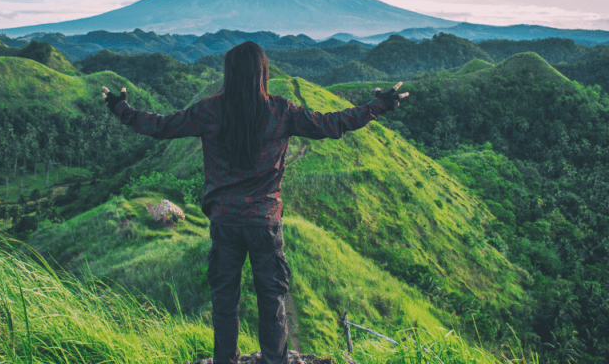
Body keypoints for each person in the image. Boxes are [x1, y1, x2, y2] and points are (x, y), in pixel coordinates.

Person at [102, 41, 408, 364]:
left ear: (229, 74)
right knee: (271, 301)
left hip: (225, 222)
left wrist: (120, 107)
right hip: (264, 222)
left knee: (224, 303)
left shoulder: (210, 111)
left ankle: (225, 361)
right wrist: (379, 106)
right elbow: (333, 124)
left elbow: (161, 126)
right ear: (262, 73)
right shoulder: (281, 110)